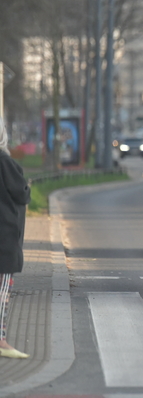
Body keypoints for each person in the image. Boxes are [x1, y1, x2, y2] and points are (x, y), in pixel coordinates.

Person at [0, 117, 31, 359]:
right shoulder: (6, 163)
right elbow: (21, 194)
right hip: (4, 239)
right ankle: (1, 341)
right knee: (2, 290)